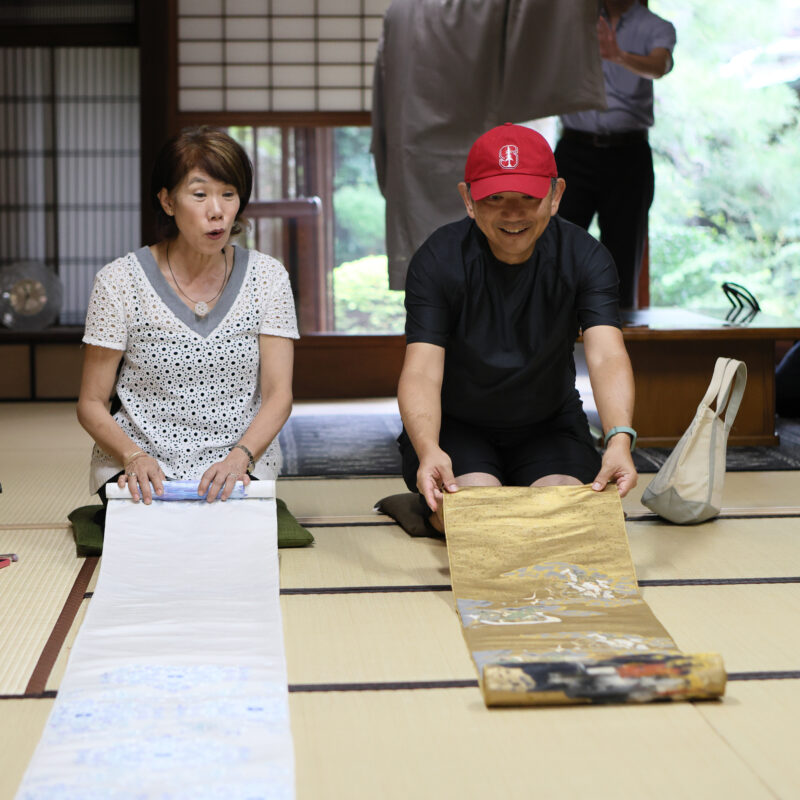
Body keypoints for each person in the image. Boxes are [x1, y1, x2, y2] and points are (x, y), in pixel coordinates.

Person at [396, 123, 638, 532]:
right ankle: (430, 509)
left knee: (564, 519)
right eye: (495, 198)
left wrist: (619, 438)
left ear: (556, 195)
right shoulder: (438, 258)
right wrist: (428, 448)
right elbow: (421, 368)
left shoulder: (585, 256)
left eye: (529, 197)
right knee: (477, 520)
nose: (513, 214)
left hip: (549, 423)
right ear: (469, 199)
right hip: (456, 425)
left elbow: (607, 353)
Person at [77, 126, 299, 508]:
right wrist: (133, 457)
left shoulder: (268, 277)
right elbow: (91, 402)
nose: (217, 211)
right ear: (167, 201)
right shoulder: (118, 281)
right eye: (200, 195)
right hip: (139, 464)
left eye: (228, 195)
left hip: (240, 461)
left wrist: (241, 457)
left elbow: (279, 395)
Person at [554, 0, 676, 310]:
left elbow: (660, 65)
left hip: (628, 155)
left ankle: (616, 348)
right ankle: (550, 341)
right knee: (556, 250)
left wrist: (617, 56)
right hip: (574, 150)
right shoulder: (572, 20)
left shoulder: (655, 26)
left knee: (622, 254)